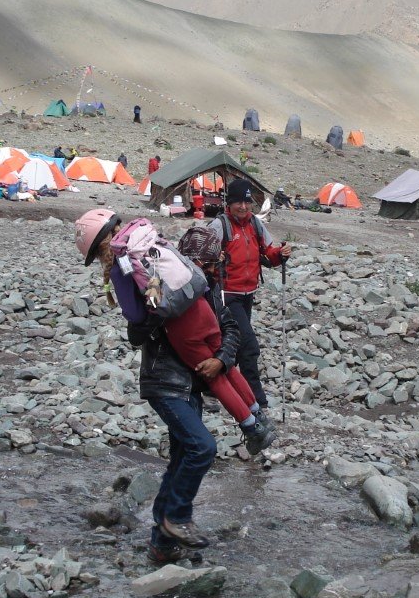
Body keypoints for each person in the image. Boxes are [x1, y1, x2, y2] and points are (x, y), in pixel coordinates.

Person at [76, 209, 236, 563]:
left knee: (183, 455)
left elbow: (231, 329)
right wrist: (158, 310)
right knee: (202, 448)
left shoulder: (196, 281)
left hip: (189, 380)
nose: (207, 267)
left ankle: (161, 545)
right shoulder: (145, 273)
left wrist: (221, 359)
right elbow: (136, 330)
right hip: (163, 382)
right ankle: (177, 519)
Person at [169, 227, 275, 455]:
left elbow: (229, 326)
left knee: (218, 376)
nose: (210, 271)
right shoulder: (210, 284)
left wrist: (221, 360)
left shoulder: (182, 278)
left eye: (211, 266)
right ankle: (257, 416)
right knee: (228, 372)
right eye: (208, 266)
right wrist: (223, 358)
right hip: (207, 331)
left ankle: (251, 426)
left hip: (190, 351)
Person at [208, 179, 291, 408]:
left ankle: (217, 386)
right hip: (226, 294)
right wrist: (216, 259)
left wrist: (281, 253)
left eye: (247, 202)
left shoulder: (255, 224)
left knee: (232, 343)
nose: (243, 207)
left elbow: (269, 253)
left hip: (248, 294)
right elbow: (202, 257)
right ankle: (255, 399)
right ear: (229, 203)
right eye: (238, 202)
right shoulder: (219, 225)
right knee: (249, 346)